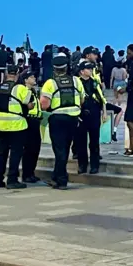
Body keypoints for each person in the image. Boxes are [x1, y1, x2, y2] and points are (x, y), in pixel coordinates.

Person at [40, 56, 84, 189]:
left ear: (54, 69)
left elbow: (44, 105)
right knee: (65, 147)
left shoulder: (50, 83)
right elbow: (82, 100)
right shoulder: (76, 81)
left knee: (59, 150)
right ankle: (55, 176)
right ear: (67, 67)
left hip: (58, 118)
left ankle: (62, 180)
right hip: (73, 119)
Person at [0, 65, 33, 189]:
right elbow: (29, 104)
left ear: (6, 74)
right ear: (17, 75)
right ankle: (12, 180)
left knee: (1, 153)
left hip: (2, 125)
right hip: (18, 125)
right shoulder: (20, 88)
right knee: (15, 154)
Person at [77, 61, 107, 174]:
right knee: (81, 142)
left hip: (94, 112)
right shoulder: (76, 82)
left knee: (94, 141)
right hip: (81, 114)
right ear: (81, 71)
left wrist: (104, 112)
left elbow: (101, 98)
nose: (90, 71)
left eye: (91, 69)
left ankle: (95, 165)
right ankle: (82, 165)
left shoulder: (94, 82)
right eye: (88, 69)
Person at [20, 71, 42, 183]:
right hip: (29, 120)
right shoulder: (24, 91)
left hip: (36, 120)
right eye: (31, 77)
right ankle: (26, 174)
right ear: (25, 80)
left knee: (35, 148)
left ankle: (31, 172)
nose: (34, 78)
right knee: (29, 148)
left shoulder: (34, 91)